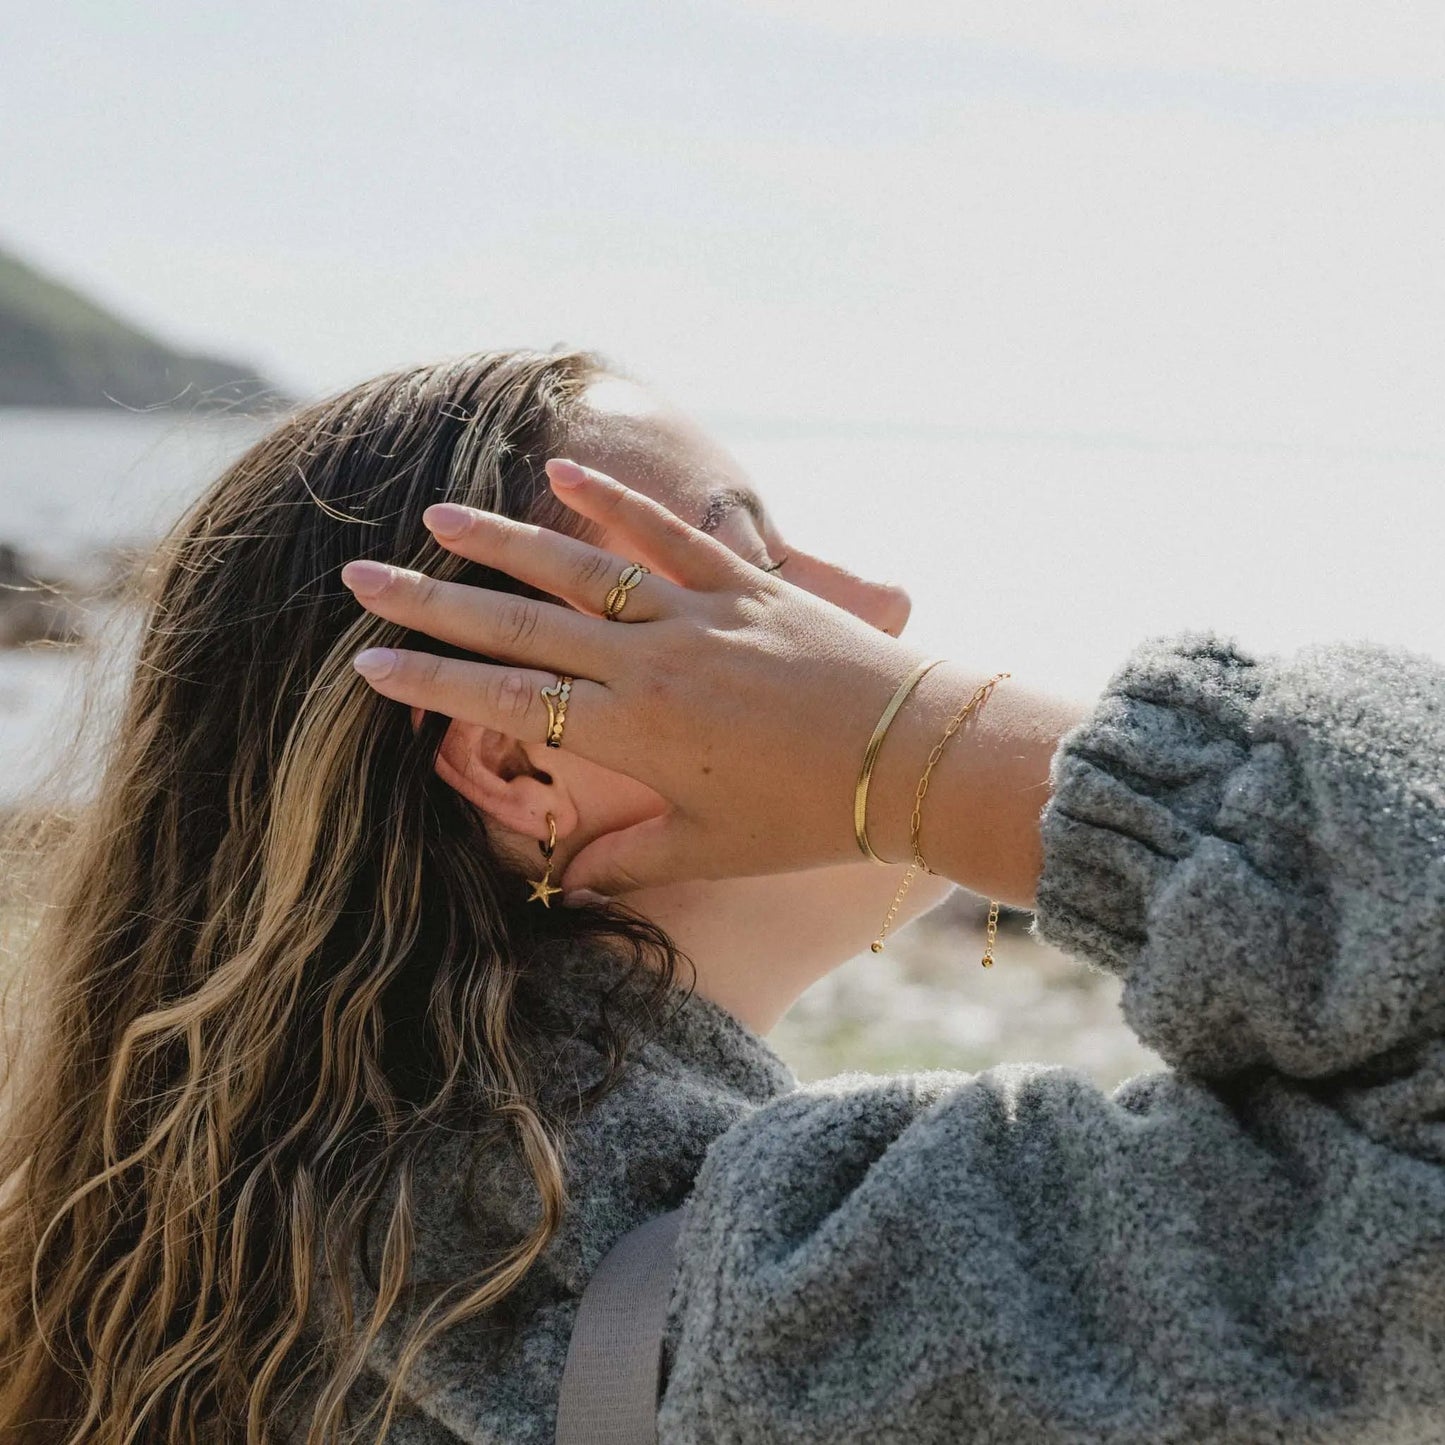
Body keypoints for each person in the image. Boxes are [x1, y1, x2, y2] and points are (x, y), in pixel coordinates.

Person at [0, 347, 1433, 1444]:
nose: (869, 611)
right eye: (740, 576)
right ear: (522, 758)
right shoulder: (788, 1311)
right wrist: (934, 748)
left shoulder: (248, 1253)